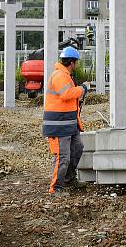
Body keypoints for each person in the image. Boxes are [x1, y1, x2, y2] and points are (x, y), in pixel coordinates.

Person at [43, 46, 90, 194]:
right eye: (76, 63)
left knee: (78, 148)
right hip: (59, 125)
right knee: (63, 157)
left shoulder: (66, 76)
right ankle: (55, 189)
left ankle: (69, 179)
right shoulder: (59, 75)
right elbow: (66, 94)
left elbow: (67, 98)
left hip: (69, 123)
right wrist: (82, 89)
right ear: (72, 62)